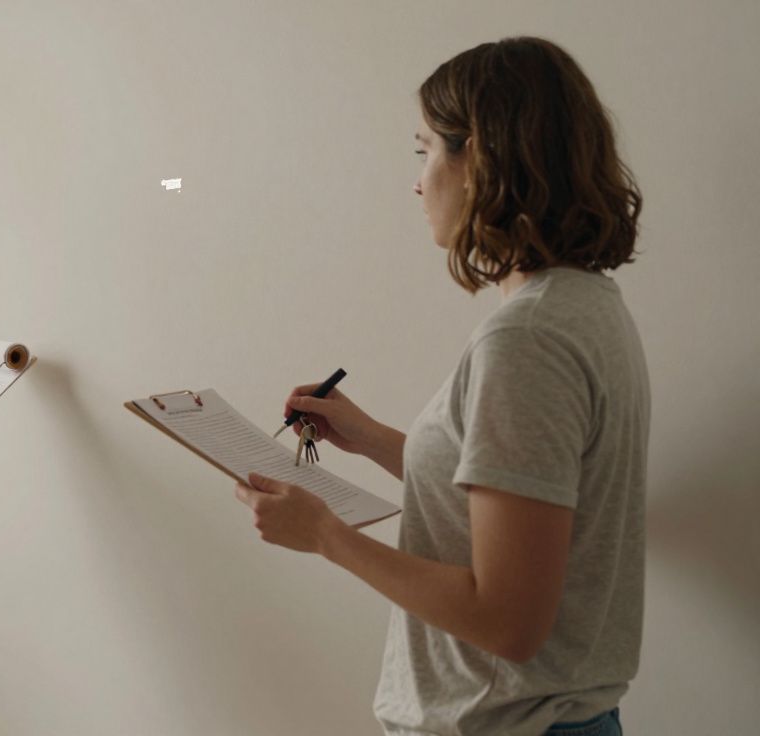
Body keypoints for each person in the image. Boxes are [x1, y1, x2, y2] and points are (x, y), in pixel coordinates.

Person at [235, 38, 646, 736]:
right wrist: (366, 438)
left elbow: (507, 620)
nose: (419, 181)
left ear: (480, 158)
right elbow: (514, 499)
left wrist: (327, 537)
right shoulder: (585, 306)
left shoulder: (528, 341)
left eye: (425, 150)